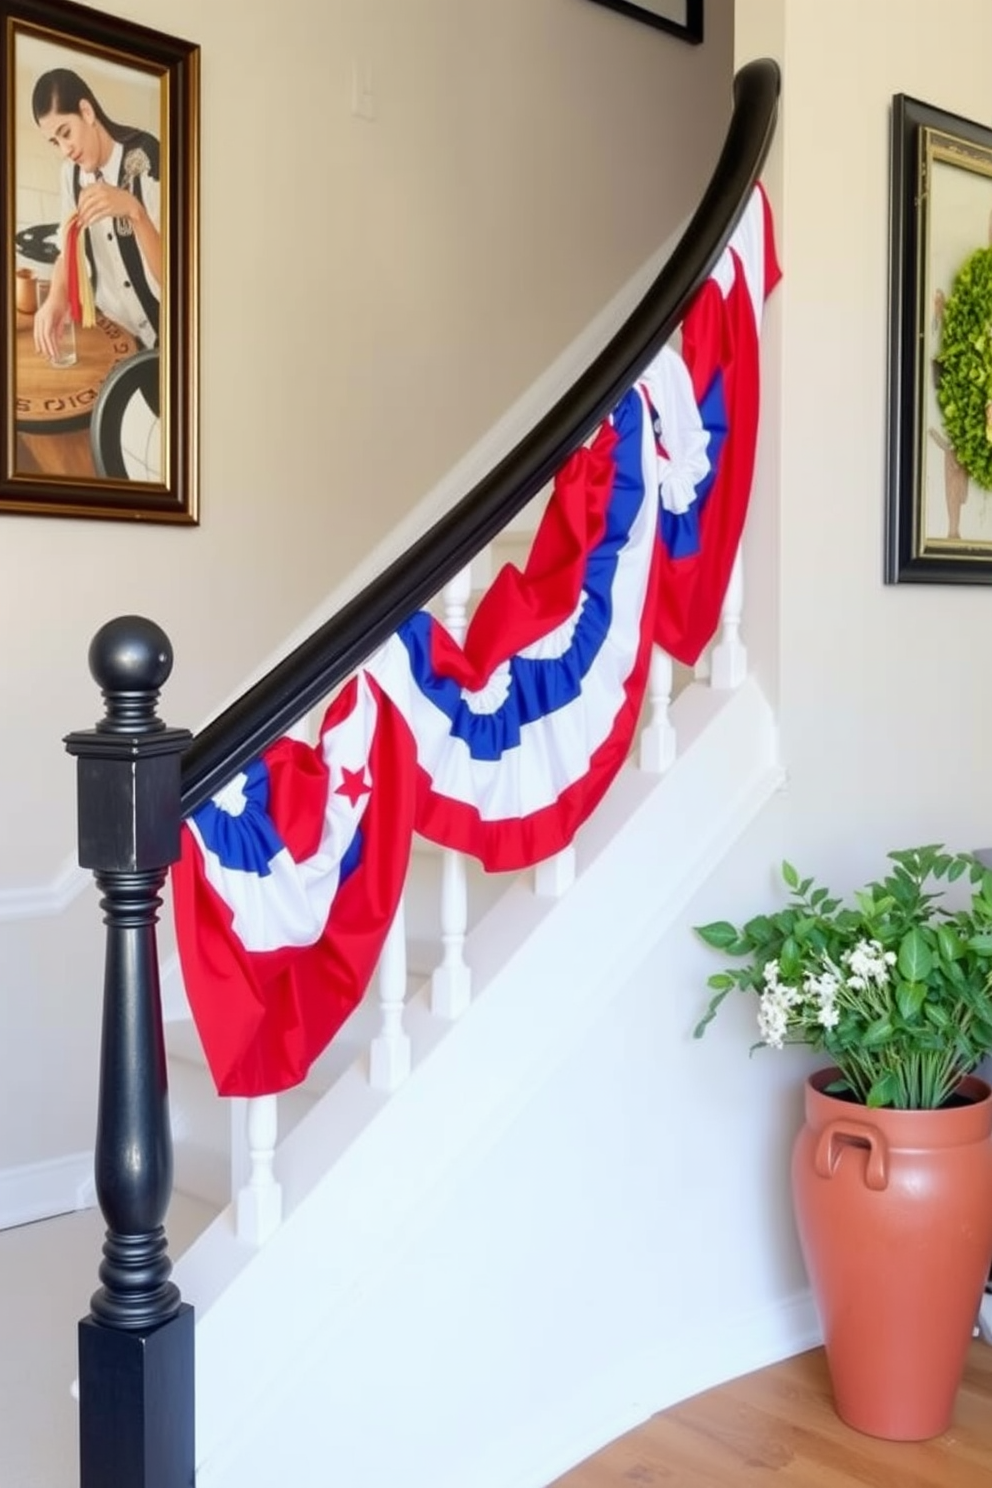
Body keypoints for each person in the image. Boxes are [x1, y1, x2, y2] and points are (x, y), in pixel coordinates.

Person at [31, 68, 161, 361]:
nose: (65, 149)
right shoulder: (71, 175)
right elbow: (67, 248)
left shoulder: (148, 158)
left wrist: (134, 211)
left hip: (161, 337)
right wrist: (55, 297)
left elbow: (176, 276)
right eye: (55, 142)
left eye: (66, 133)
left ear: (87, 111)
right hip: (111, 337)